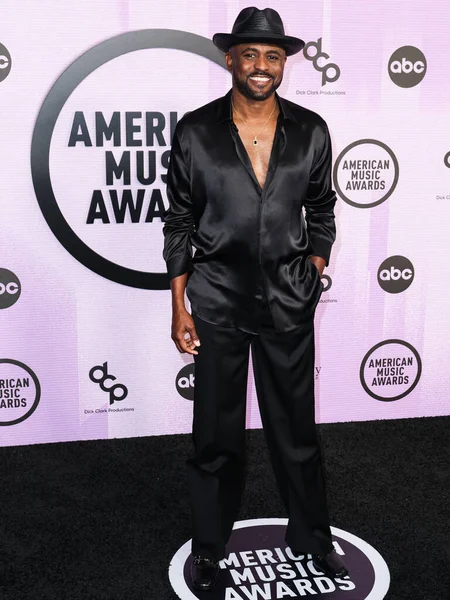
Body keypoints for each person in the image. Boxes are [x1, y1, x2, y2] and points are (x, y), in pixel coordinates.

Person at [163, 6, 348, 592]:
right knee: (215, 437)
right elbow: (180, 219)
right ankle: (211, 549)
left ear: (285, 63)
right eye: (250, 54)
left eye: (272, 56)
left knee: (296, 433)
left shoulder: (312, 130)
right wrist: (178, 303)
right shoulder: (195, 130)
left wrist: (314, 266)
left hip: (289, 302)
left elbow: (322, 209)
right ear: (230, 59)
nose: (261, 66)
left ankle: (312, 540)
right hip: (216, 300)